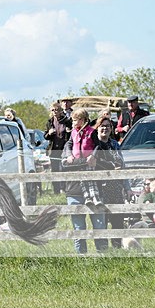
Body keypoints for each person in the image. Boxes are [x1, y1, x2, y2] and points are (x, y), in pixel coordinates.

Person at [62, 108, 106, 253]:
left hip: (92, 179)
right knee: (78, 228)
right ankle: (81, 255)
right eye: (73, 120)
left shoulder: (91, 132)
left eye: (76, 120)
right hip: (74, 188)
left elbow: (99, 145)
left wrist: (93, 156)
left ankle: (103, 253)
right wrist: (69, 155)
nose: (74, 122)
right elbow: (68, 145)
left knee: (99, 224)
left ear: (83, 120)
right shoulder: (72, 134)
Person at [89, 114, 130, 249]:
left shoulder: (114, 144)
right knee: (101, 221)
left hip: (115, 187)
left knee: (117, 220)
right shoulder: (93, 144)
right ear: (97, 128)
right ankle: (102, 250)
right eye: (102, 126)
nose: (105, 129)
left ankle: (117, 248)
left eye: (108, 126)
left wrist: (127, 187)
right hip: (99, 188)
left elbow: (122, 166)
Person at [44, 101, 70, 194]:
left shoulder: (66, 121)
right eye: (53, 110)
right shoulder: (50, 122)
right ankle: (56, 190)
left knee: (63, 168)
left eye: (57, 110)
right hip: (53, 149)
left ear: (60, 111)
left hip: (64, 149)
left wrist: (68, 131)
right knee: (54, 169)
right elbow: (45, 136)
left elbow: (71, 133)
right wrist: (49, 133)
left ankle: (64, 188)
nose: (55, 112)